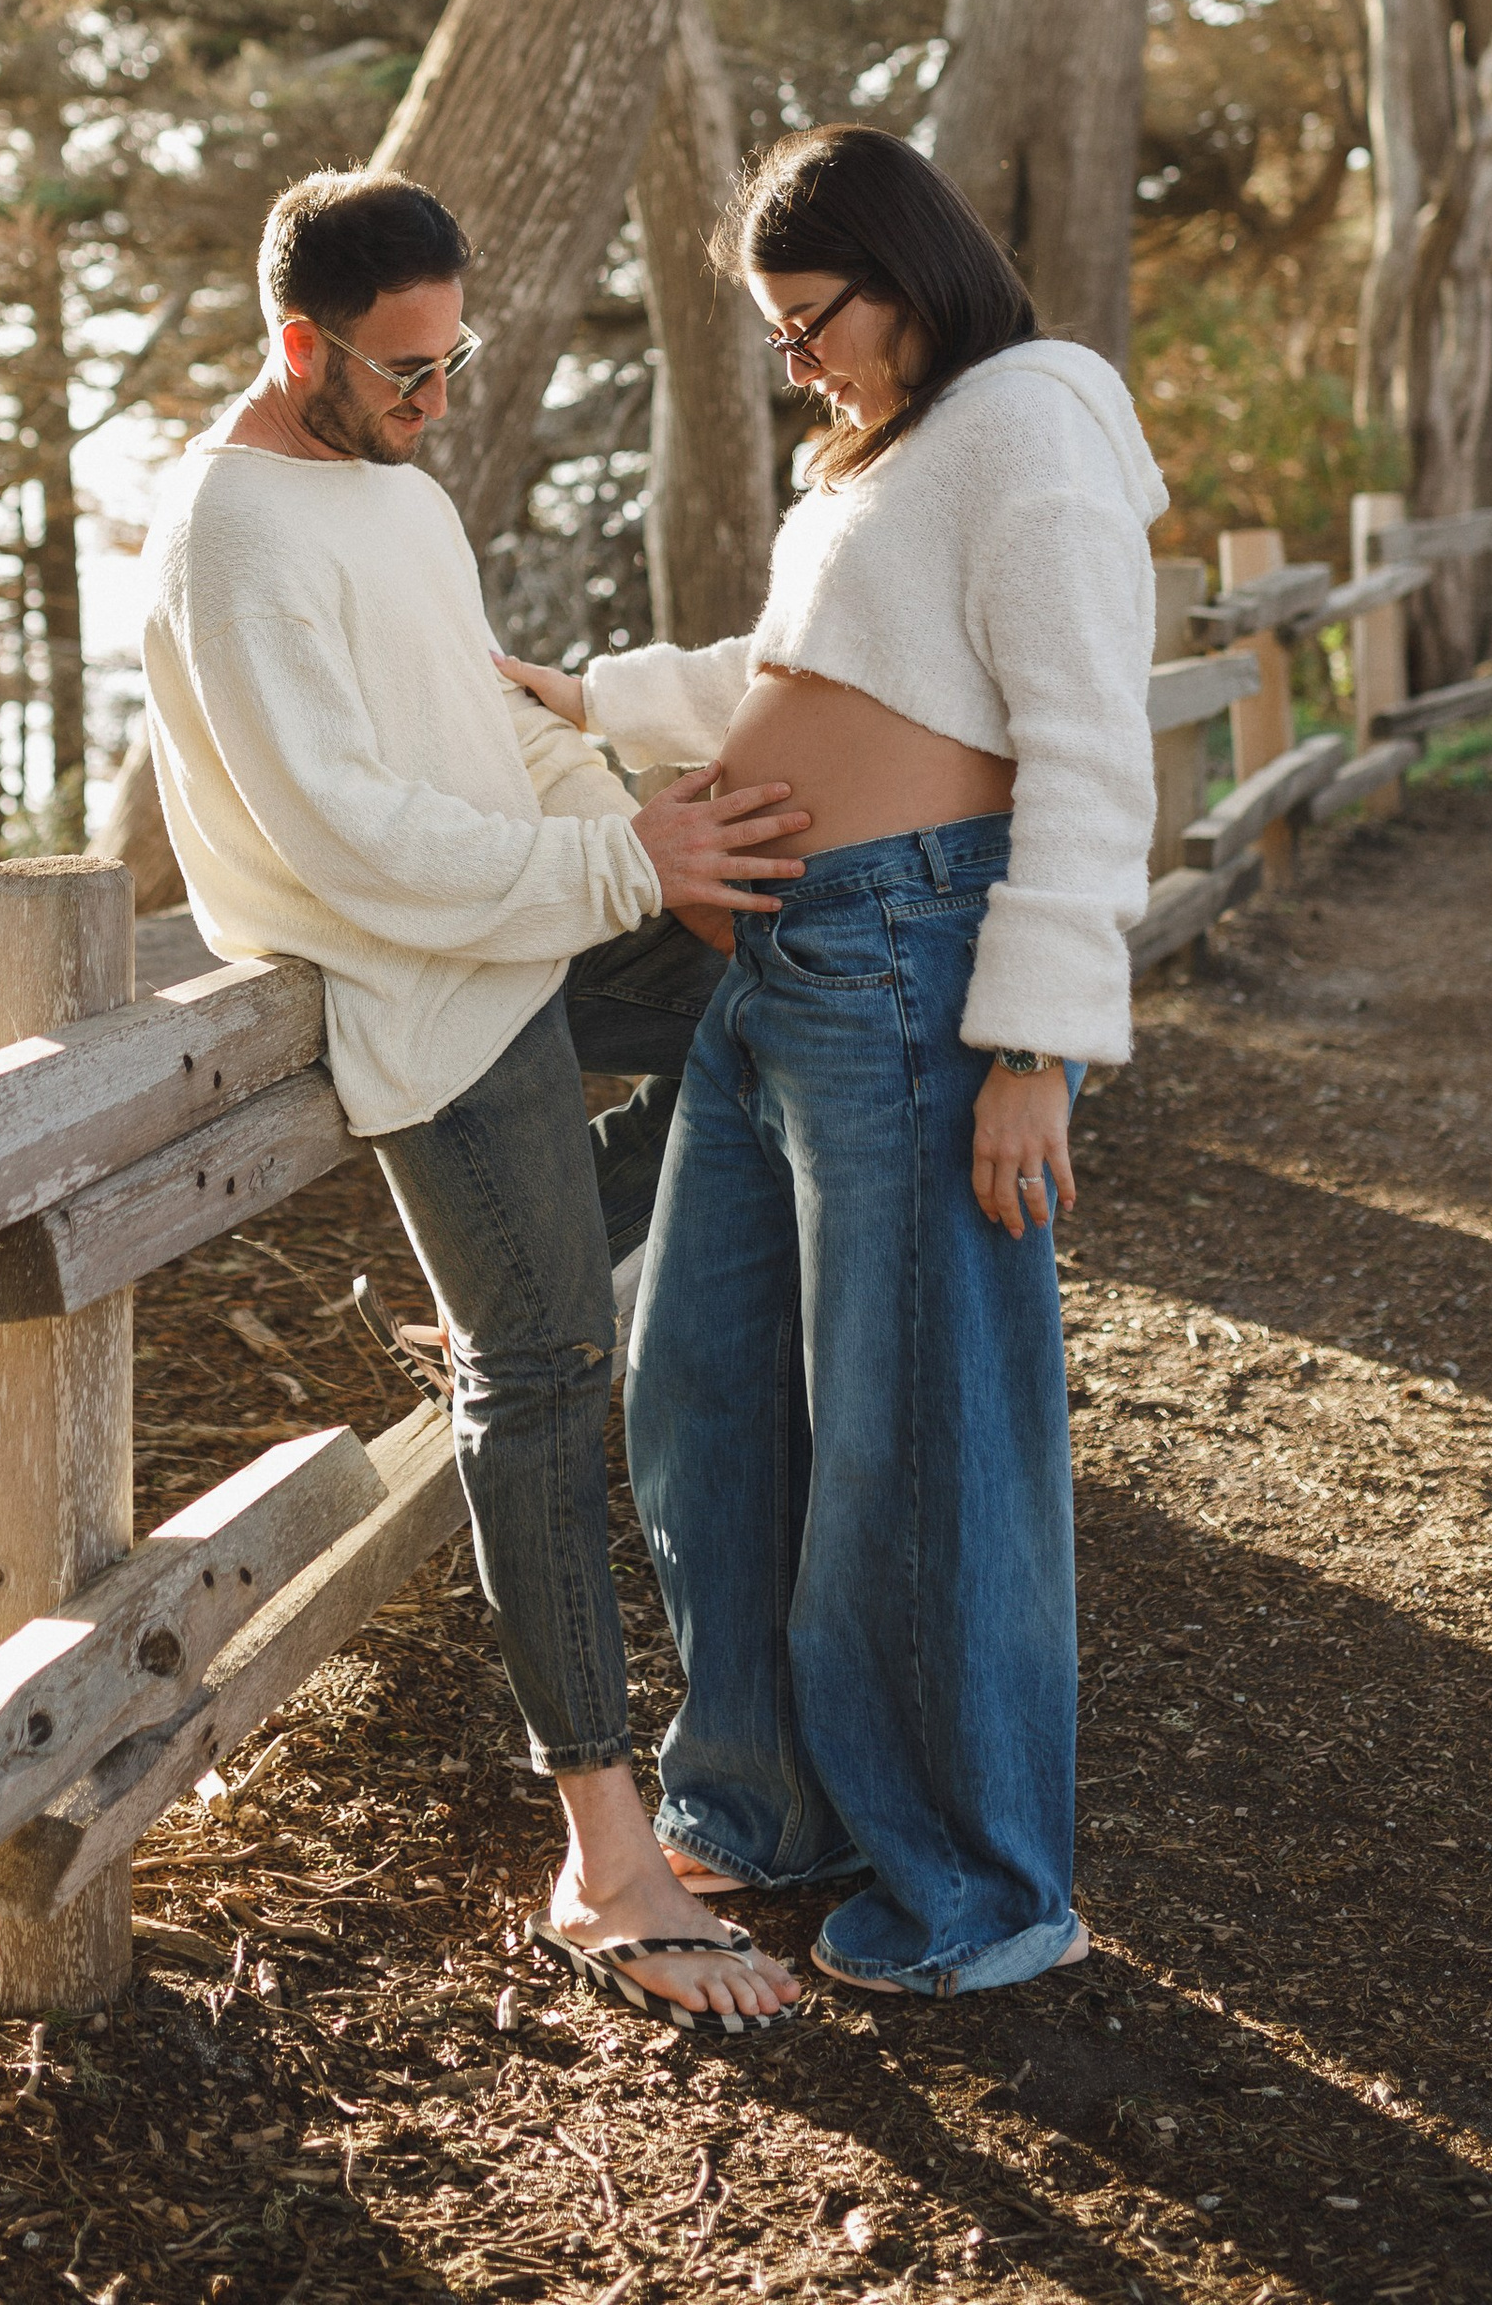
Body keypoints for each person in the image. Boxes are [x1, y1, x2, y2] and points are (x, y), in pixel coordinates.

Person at [136, 167, 811, 2033]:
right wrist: (615, 874)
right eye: (407, 372)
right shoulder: (228, 534)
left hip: (530, 911)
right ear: (301, 346)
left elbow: (489, 733)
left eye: (456, 363)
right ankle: (605, 1855)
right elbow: (348, 832)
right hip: (425, 979)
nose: (440, 403)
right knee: (537, 1378)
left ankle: (535, 1237)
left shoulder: (398, 495)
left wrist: (639, 834)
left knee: (798, 960)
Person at [499, 124, 1163, 1999]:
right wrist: (598, 697)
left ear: (906, 269)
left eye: (811, 319)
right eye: (778, 334)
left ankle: (979, 1889)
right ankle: (771, 1800)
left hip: (915, 977)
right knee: (697, 1389)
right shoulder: (896, 457)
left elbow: (1093, 747)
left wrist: (1033, 1042)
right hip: (778, 982)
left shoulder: (1030, 420)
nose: (798, 360)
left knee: (918, 1439)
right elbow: (805, 673)